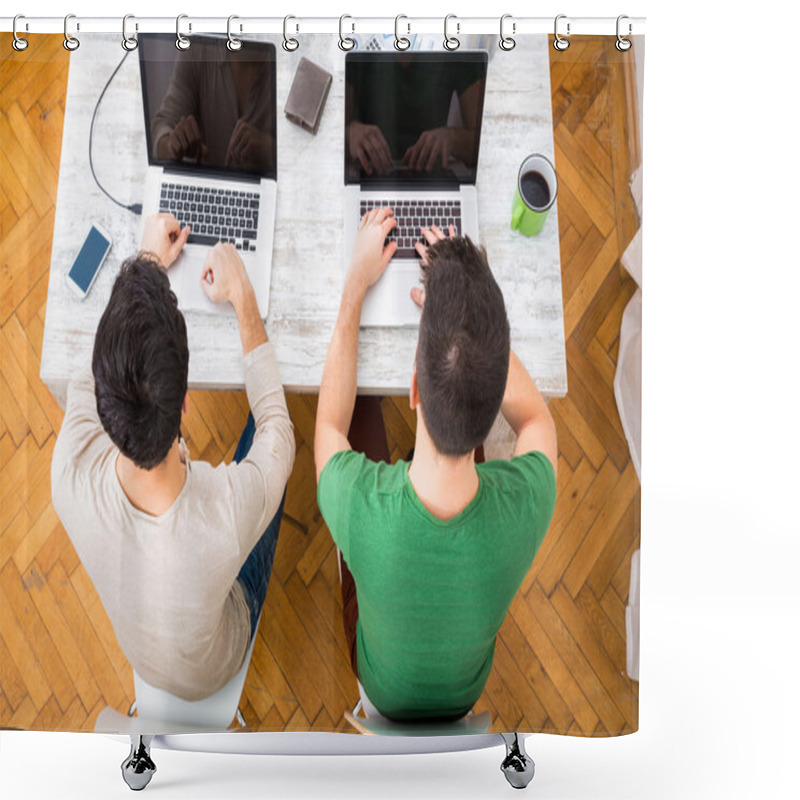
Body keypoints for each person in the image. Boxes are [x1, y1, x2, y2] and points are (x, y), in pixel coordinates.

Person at [315, 209, 558, 721]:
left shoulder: (358, 503)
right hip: (461, 699)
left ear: (413, 390)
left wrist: (356, 285)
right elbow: (536, 416)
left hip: (379, 687)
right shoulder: (527, 506)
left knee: (356, 406)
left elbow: (328, 430)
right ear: (497, 411)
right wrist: (470, 333)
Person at [51, 213, 295, 701]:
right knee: (265, 436)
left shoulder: (68, 473)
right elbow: (280, 435)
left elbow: (98, 364)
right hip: (216, 662)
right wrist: (244, 297)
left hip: (146, 659)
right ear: (186, 401)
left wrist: (147, 263)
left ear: (102, 404)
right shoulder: (224, 511)